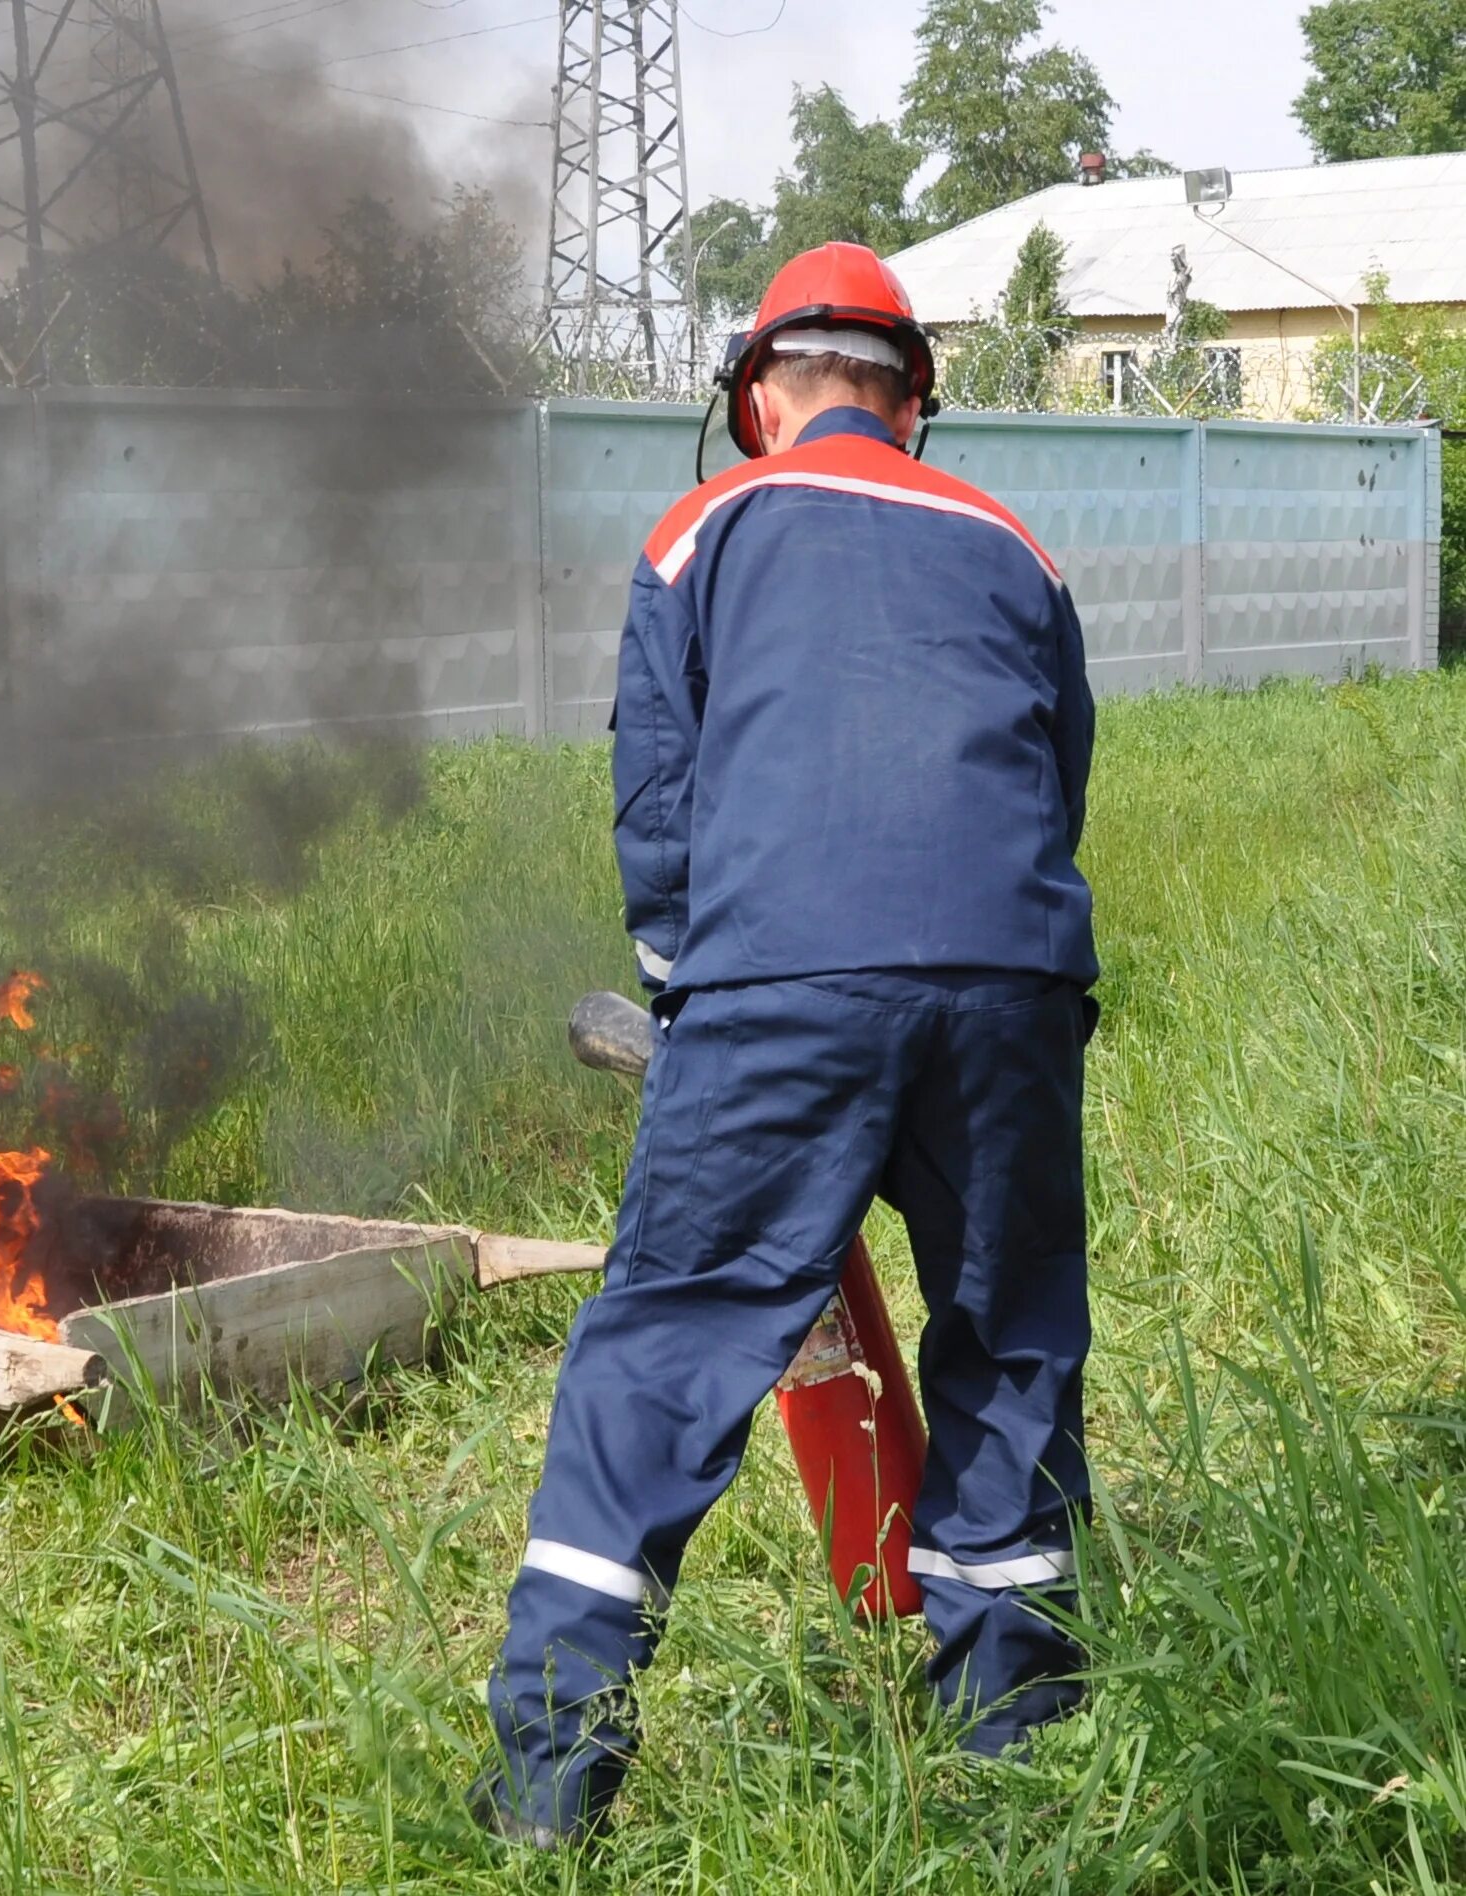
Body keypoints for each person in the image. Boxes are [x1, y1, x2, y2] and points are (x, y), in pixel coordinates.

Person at [470, 242, 1101, 1847]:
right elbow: (1054, 776)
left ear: (753, 394)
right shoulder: (1012, 543)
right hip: (1008, 984)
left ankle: (549, 1787)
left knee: (665, 1349)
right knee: (1005, 1336)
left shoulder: (700, 529)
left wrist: (704, 998)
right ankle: (1018, 1753)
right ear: (914, 400)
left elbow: (658, 811)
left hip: (775, 993)